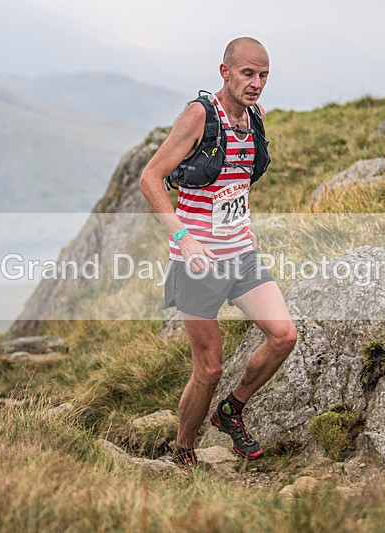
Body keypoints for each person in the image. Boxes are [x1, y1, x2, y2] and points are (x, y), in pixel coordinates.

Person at [138, 37, 297, 467]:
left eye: (264, 75)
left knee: (284, 336)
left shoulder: (257, 118)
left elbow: (236, 184)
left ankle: (231, 411)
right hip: (197, 261)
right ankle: (183, 450)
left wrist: (242, 230)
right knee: (208, 370)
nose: (257, 83)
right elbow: (151, 179)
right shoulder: (199, 116)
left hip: (241, 254)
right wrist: (183, 239)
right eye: (248, 73)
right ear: (225, 71)